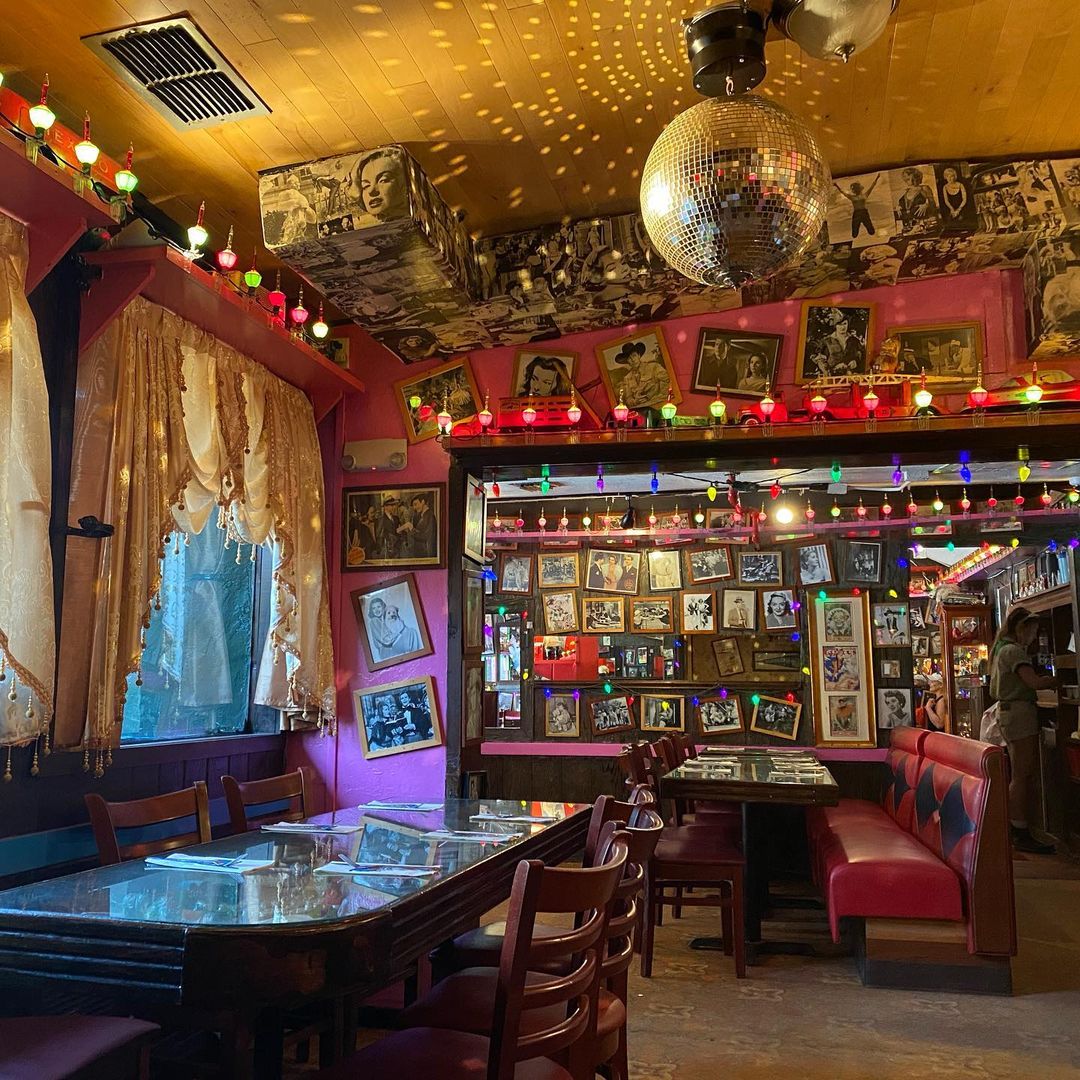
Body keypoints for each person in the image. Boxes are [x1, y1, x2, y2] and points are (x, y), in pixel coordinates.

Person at [990, 606, 1057, 854]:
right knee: (1022, 774)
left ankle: (1015, 828)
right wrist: (1059, 679)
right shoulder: (1013, 651)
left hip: (1009, 713)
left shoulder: (1000, 648)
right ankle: (1019, 829)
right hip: (1019, 714)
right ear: (1022, 628)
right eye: (1033, 631)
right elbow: (1034, 682)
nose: (1034, 636)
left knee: (1018, 772)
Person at [834, 174, 881, 238]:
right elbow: (843, 192)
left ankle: (868, 231)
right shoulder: (857, 196)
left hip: (862, 213)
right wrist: (837, 186)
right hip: (859, 213)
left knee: (870, 231)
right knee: (855, 233)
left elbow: (872, 187)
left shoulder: (861, 196)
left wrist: (877, 178)